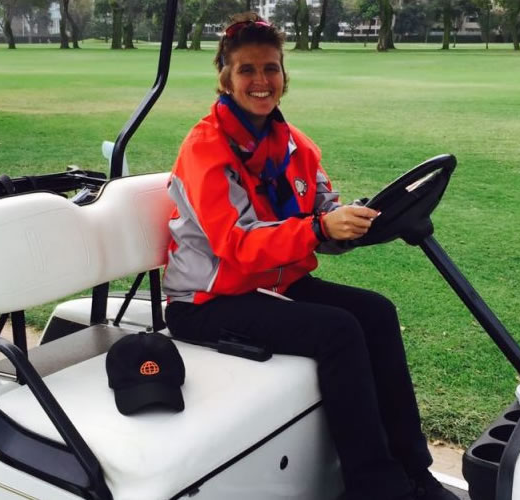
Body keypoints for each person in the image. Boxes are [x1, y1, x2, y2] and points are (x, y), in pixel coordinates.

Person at [161, 12, 460, 500]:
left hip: (274, 285)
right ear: (226, 78)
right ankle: (375, 486)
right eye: (247, 70)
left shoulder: (296, 146)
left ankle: (414, 469)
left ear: (284, 75)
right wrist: (320, 228)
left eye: (271, 68)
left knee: (377, 311)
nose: (261, 81)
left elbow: (322, 209)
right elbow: (237, 245)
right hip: (207, 301)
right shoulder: (206, 150)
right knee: (337, 330)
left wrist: (350, 225)